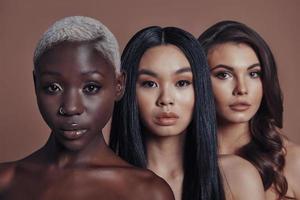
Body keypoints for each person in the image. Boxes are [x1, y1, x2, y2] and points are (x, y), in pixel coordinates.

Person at [0, 16, 174, 200]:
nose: (71, 108)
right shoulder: (5, 181)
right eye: (53, 87)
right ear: (36, 84)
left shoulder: (148, 192)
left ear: (119, 85)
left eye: (91, 88)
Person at [109, 26, 265, 200]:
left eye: (182, 83)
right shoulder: (104, 184)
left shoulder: (238, 177)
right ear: (126, 89)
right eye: (149, 84)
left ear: (201, 88)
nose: (166, 99)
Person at [198, 20, 300, 199]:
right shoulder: (179, 162)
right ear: (199, 81)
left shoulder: (293, 161)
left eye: (254, 74)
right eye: (224, 74)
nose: (242, 89)